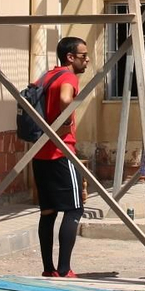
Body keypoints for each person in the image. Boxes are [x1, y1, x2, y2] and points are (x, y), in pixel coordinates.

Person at [32, 36, 89, 277]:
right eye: (83, 56)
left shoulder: (45, 77)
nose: (87, 60)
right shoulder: (68, 77)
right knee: (74, 209)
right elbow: (66, 99)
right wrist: (65, 123)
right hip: (61, 152)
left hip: (39, 153)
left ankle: (49, 269)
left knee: (48, 211)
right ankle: (65, 269)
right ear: (70, 57)